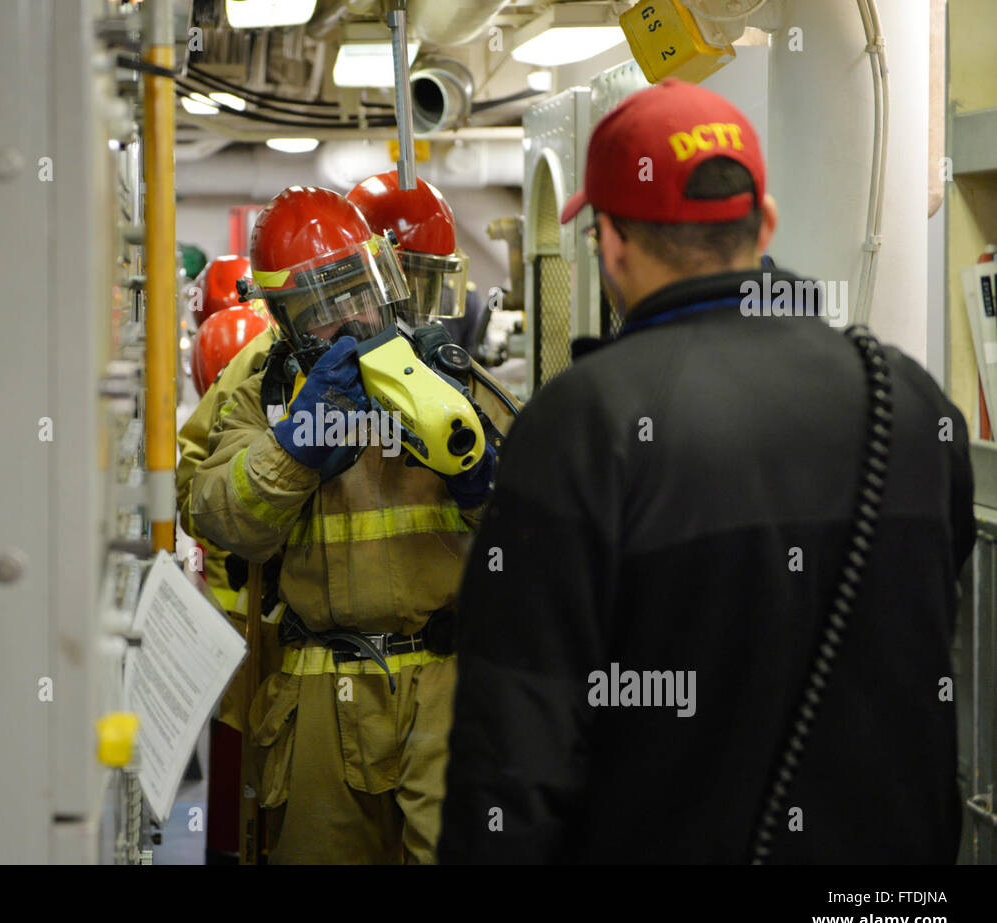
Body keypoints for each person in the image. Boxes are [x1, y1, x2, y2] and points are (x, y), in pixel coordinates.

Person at [440, 79, 975, 864]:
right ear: (764, 223)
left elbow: (514, 751)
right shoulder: (911, 399)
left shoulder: (580, 424)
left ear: (611, 241)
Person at [188, 183, 515, 863]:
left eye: (356, 292)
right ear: (286, 319)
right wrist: (291, 450)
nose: (348, 321)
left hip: (446, 687)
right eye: (319, 309)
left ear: (386, 282)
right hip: (316, 695)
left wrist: (485, 482)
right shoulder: (266, 391)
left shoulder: (450, 377)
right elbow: (216, 512)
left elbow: (537, 539)